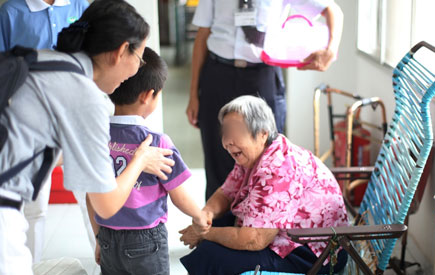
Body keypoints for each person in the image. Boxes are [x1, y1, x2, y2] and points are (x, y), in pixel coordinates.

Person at [0, 1, 176, 274]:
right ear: (120, 52)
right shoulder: (86, 96)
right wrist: (139, 160)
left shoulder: (45, 60)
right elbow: (107, 206)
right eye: (139, 59)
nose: (137, 70)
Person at [186, 0, 344, 200]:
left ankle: (261, 227)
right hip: (218, 74)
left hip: (261, 77)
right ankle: (219, 229)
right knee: (218, 158)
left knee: (267, 161)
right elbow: (202, 35)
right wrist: (193, 95)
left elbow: (333, 10)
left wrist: (330, 49)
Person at [180, 95, 349, 274]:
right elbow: (226, 192)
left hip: (314, 253)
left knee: (211, 253)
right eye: (225, 132)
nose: (227, 141)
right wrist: (205, 215)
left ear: (262, 133)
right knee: (217, 223)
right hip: (285, 237)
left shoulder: (278, 169)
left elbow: (254, 240)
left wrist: (204, 233)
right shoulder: (255, 154)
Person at [86, 47, 210, 275]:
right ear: (148, 95)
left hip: (107, 236)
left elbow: (91, 197)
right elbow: (178, 194)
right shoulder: (156, 142)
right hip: (145, 238)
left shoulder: (98, 137)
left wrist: (98, 238)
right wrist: (199, 215)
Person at [0, 0, 91, 263]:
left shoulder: (79, 6)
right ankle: (32, 266)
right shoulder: (11, 13)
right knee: (34, 205)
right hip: (31, 120)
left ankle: (108, 262)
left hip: (76, 113)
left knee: (91, 196)